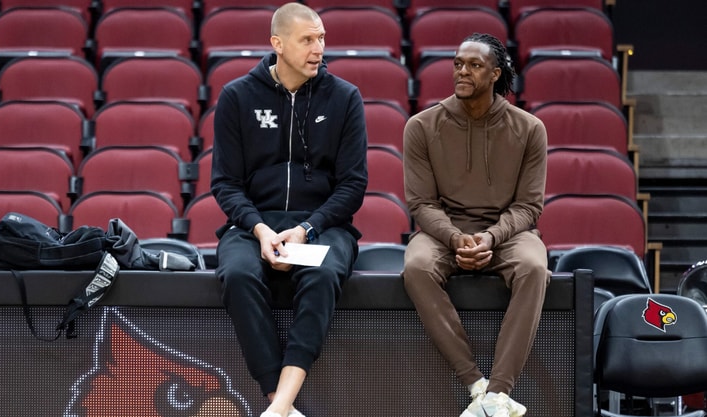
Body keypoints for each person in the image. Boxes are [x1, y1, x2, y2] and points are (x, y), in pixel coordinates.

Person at [210, 3, 368, 417]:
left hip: (322, 224)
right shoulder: (237, 96)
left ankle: (279, 407)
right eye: (307, 39)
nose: (319, 48)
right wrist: (260, 229)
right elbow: (225, 183)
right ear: (277, 44)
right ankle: (277, 402)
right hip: (253, 223)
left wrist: (307, 229)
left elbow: (353, 185)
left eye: (322, 38)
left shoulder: (345, 98)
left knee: (323, 274)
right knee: (238, 274)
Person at [401, 33, 550, 417]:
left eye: (474, 65)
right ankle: (476, 384)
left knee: (534, 266)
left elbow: (529, 206)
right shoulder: (421, 126)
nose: (462, 72)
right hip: (443, 229)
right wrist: (454, 237)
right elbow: (420, 203)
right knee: (416, 266)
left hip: (509, 231)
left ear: (495, 73)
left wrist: (491, 236)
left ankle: (500, 392)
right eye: (457, 64)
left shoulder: (530, 128)